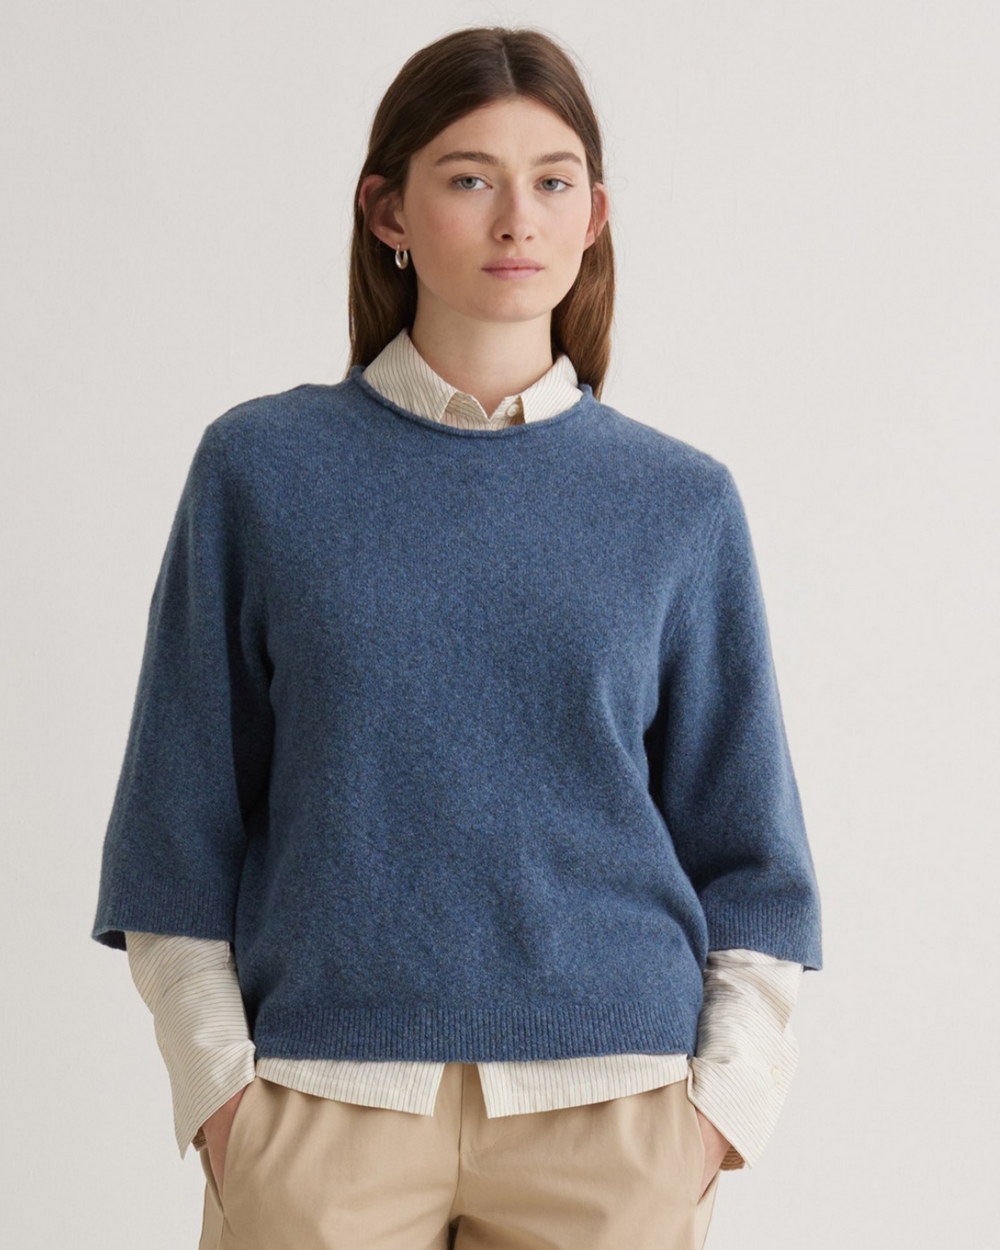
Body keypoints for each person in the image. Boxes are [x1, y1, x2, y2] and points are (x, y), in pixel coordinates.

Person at [91, 24, 822, 1250]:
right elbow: (174, 823)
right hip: (320, 1104)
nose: (517, 219)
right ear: (388, 209)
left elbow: (751, 852)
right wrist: (222, 1098)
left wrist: (714, 1118)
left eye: (553, 182)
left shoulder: (678, 501)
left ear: (594, 217)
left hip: (614, 1115)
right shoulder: (262, 469)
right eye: (470, 177)